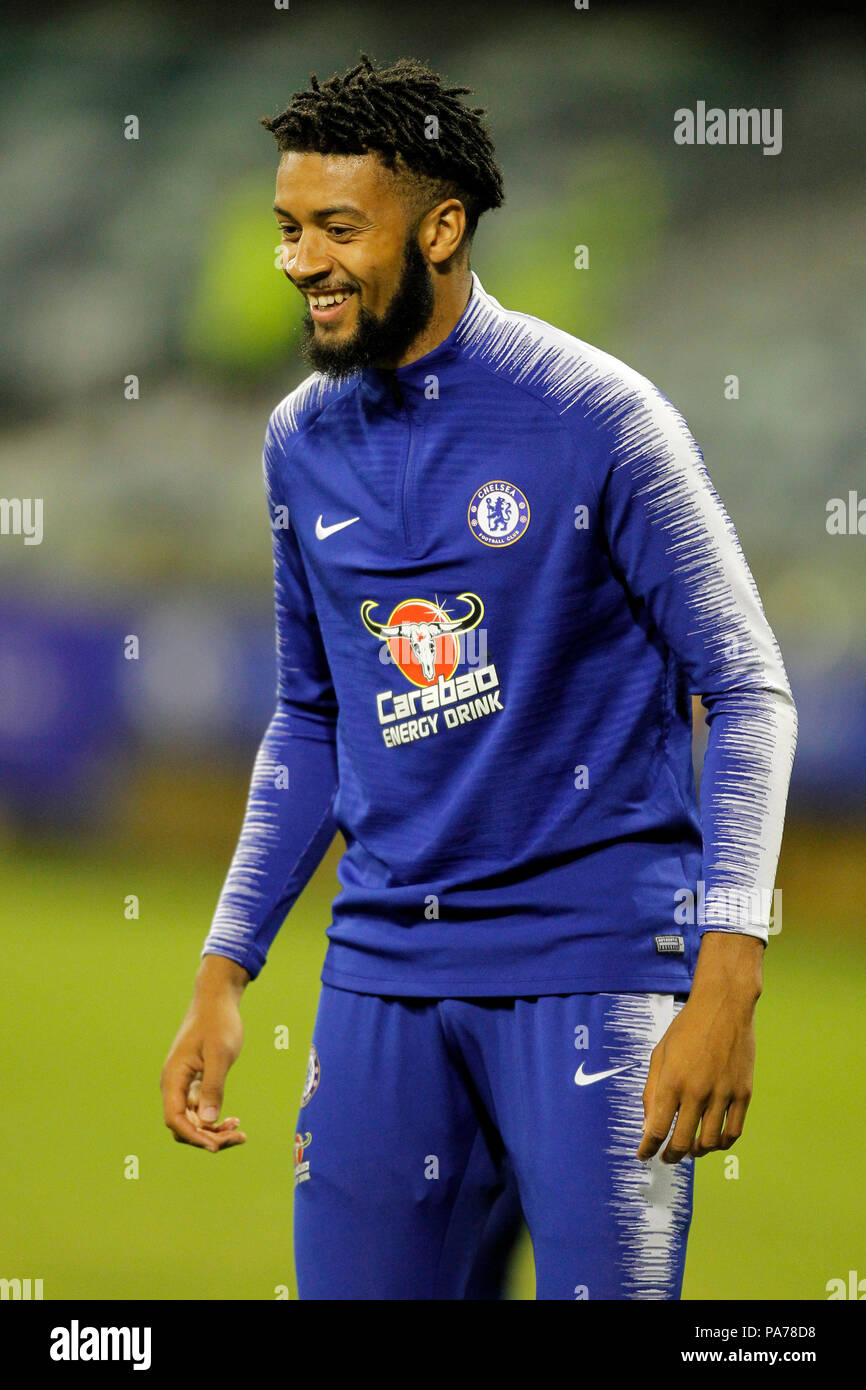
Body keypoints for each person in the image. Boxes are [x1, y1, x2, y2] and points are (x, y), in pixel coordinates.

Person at [161, 54, 797, 1301]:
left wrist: (726, 973)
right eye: (288, 228)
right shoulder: (298, 440)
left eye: (337, 228)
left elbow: (748, 686)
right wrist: (225, 966)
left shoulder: (598, 417)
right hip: (383, 979)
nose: (300, 262)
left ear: (441, 228)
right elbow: (310, 716)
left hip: (592, 973)